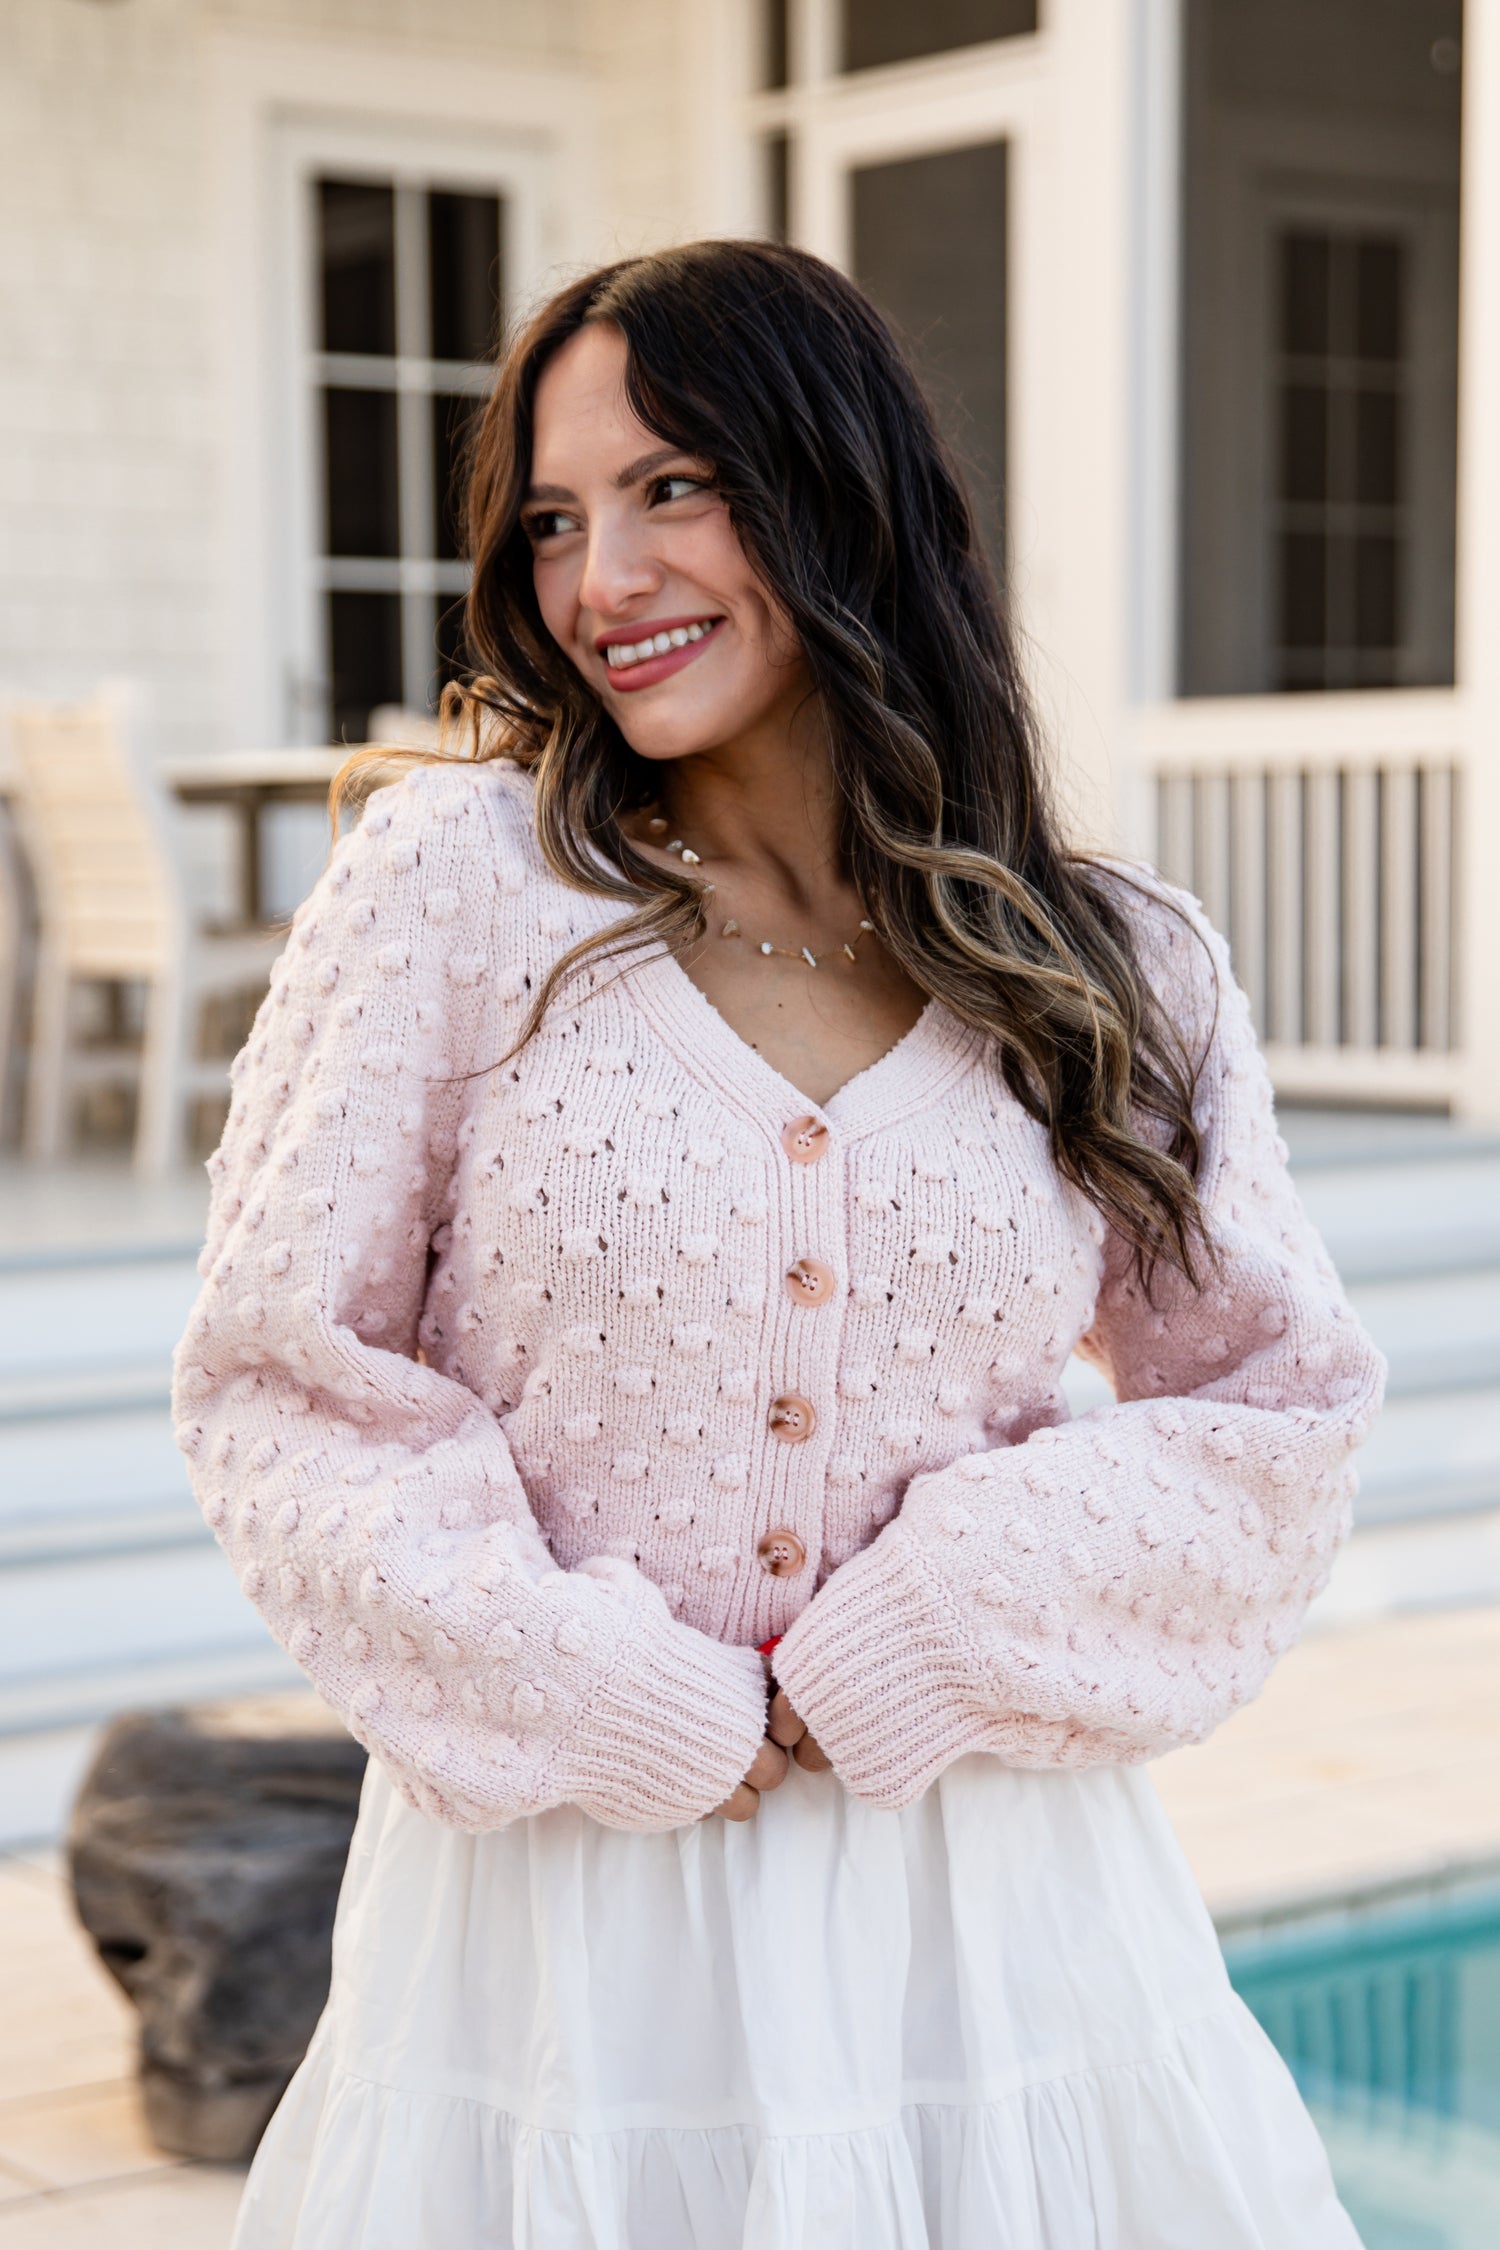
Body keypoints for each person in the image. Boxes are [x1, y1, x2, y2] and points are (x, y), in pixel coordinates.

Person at [174, 241, 1384, 2247]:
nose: (603, 583)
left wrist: (916, 1637)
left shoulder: (1118, 961)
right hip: (562, 1951)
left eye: (673, 488)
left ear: (840, 486)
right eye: (555, 523)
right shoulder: (455, 890)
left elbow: (1278, 1415)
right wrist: (601, 1688)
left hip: (993, 1940)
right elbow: (282, 1387)